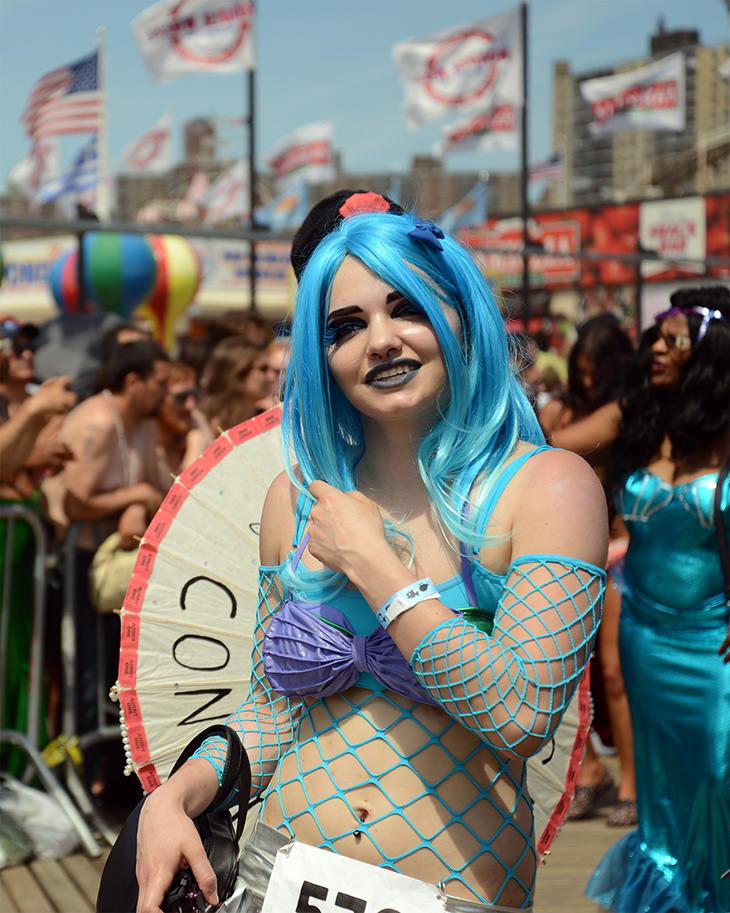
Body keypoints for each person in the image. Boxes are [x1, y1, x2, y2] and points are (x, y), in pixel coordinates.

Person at [134, 205, 608, 912]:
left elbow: (521, 713)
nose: (379, 342)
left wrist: (376, 567)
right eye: (345, 326)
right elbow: (269, 719)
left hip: (448, 894)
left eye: (406, 307)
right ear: (320, 356)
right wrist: (180, 793)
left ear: (461, 315)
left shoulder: (549, 487)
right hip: (276, 881)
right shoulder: (293, 503)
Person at [586, 288, 730, 913]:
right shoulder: (636, 415)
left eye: (675, 339)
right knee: (665, 791)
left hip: (715, 641)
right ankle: (673, 900)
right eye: (658, 336)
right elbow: (550, 443)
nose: (658, 348)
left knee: (721, 775)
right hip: (644, 631)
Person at [53, 339, 170, 793]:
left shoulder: (139, 420)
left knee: (115, 676)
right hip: (80, 562)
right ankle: (80, 785)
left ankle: (114, 785)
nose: (167, 392)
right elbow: (75, 499)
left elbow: (163, 483)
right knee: (86, 677)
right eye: (160, 383)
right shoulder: (100, 421)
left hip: (110, 566)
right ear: (133, 381)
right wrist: (134, 498)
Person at [541, 316, 637, 828]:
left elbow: (556, 442)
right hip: (574, 553)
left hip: (621, 550)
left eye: (597, 371)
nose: (589, 381)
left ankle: (630, 784)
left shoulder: (625, 410)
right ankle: (592, 771)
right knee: (566, 671)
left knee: (616, 676)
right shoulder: (573, 406)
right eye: (581, 371)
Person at [199, 337, 278, 433]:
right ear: (238, 374)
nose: (272, 376)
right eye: (263, 369)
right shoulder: (205, 424)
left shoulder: (267, 415)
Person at [156, 360, 213, 480]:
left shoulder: (194, 420)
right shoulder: (148, 447)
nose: (191, 405)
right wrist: (195, 448)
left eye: (194, 394)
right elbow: (179, 495)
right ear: (159, 396)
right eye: (181, 397)